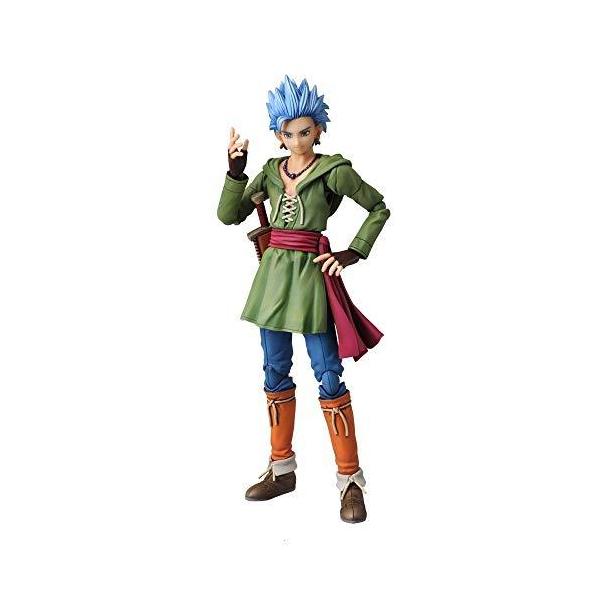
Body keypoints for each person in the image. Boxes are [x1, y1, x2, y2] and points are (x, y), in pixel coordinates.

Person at [217, 75, 390, 523]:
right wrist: (236, 172)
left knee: (328, 373)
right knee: (274, 369)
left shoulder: (334, 171)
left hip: (312, 277)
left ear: (319, 130)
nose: (297, 140)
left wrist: (353, 252)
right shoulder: (270, 172)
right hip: (273, 279)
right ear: (278, 135)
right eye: (288, 133)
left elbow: (378, 207)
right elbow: (228, 215)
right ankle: (281, 469)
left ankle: (350, 481)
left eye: (305, 131)